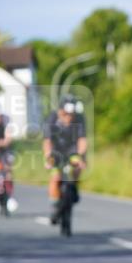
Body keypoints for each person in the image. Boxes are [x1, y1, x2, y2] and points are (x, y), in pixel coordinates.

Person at [43, 95, 88, 223]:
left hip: (72, 149)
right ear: (61, 111)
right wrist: (48, 156)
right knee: (56, 178)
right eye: (66, 114)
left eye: (72, 114)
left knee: (77, 166)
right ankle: (54, 205)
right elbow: (47, 141)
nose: (69, 117)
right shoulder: (52, 118)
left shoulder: (79, 118)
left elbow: (82, 140)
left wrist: (80, 156)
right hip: (56, 150)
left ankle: (74, 187)